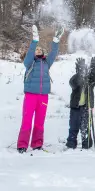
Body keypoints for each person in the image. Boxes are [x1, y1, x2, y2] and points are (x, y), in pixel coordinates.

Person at [17, 25, 63, 153]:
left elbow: (53, 54)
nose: (37, 50)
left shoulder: (46, 63)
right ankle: (22, 145)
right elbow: (29, 55)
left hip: (43, 96)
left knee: (40, 121)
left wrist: (55, 41)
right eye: (36, 49)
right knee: (27, 120)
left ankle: (37, 144)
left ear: (43, 52)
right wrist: (35, 40)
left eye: (39, 49)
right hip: (31, 95)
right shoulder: (29, 63)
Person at [66, 56, 95, 149]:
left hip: (86, 107)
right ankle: (71, 144)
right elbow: (72, 83)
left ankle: (86, 144)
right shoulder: (76, 79)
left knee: (85, 126)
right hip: (75, 107)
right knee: (73, 125)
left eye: (85, 69)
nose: (84, 71)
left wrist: (93, 68)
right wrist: (79, 71)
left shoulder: (89, 82)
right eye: (82, 69)